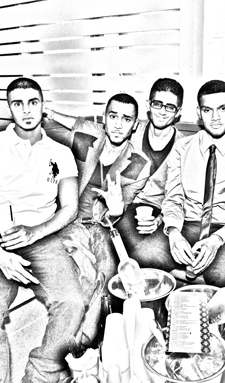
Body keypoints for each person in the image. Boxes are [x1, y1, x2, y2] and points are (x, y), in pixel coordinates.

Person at [0, 77, 84, 383]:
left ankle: (38, 380)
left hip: (42, 239)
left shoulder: (61, 153)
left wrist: (36, 231)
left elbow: (69, 207)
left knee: (72, 303)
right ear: (10, 108)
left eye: (33, 102)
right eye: (18, 103)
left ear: (43, 106)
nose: (26, 110)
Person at [46, 94, 151, 347]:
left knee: (108, 274)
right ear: (104, 118)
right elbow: (74, 122)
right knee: (86, 271)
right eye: (113, 116)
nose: (118, 125)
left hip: (103, 227)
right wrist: (46, 110)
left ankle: (84, 342)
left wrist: (116, 209)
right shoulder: (90, 136)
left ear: (134, 125)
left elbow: (121, 209)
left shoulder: (139, 164)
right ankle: (75, 342)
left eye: (126, 119)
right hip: (70, 221)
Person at [134, 80, 225, 287]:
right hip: (187, 224)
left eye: (223, 108)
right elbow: (173, 198)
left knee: (221, 277)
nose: (215, 118)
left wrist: (217, 240)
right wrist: (173, 233)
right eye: (207, 110)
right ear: (199, 112)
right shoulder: (182, 148)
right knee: (143, 256)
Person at [115, 78, 187, 254]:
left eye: (170, 107)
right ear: (148, 105)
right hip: (120, 204)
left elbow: (181, 197)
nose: (162, 112)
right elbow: (97, 131)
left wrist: (159, 220)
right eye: (157, 104)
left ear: (178, 112)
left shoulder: (184, 147)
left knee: (150, 252)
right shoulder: (132, 129)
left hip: (156, 214)